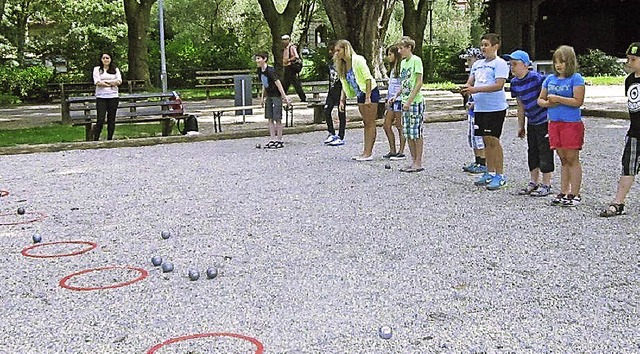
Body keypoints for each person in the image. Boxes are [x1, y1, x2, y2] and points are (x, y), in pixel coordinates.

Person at [537, 45, 585, 207]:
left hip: (571, 123)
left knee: (572, 158)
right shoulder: (549, 79)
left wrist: (558, 99)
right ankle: (564, 191)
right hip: (554, 123)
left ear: (569, 62)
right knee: (563, 159)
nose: (559, 65)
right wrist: (549, 104)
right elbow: (540, 100)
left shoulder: (576, 78)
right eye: (556, 62)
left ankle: (575, 193)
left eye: (562, 62)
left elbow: (578, 101)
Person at [461, 33, 510, 189]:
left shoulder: (500, 63)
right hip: (480, 108)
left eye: (486, 45)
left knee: (494, 140)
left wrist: (475, 89)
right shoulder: (477, 64)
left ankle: (500, 175)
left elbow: (498, 85)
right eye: (482, 45)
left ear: (495, 47)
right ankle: (489, 172)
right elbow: (471, 81)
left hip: (495, 108)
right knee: (485, 141)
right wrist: (466, 89)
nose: (483, 48)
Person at [599, 42, 640, 216]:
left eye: (634, 59)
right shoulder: (629, 80)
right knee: (628, 167)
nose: (629, 62)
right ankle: (618, 202)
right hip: (635, 132)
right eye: (628, 58)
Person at [506, 50, 554, 197]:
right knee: (532, 150)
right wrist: (520, 125)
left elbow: (550, 87)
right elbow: (520, 105)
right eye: (510, 64)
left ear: (526, 65)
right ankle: (534, 181)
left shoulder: (536, 79)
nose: (512, 67)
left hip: (544, 120)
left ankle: (547, 183)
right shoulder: (514, 83)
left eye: (515, 64)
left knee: (545, 150)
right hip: (531, 122)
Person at [333, 39, 380, 161]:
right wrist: (342, 100)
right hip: (360, 94)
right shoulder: (342, 65)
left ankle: (368, 152)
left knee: (370, 123)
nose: (336, 53)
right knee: (366, 123)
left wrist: (368, 97)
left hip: (370, 92)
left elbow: (368, 79)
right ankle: (365, 151)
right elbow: (344, 84)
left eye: (339, 50)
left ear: (345, 49)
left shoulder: (358, 60)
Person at [392, 36, 424, 172]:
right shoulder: (404, 63)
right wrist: (396, 96)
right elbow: (404, 83)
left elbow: (418, 82)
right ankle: (413, 160)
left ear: (409, 48)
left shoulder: (416, 61)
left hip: (414, 102)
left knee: (416, 132)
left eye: (401, 48)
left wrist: (410, 101)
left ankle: (419, 161)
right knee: (408, 132)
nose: (399, 51)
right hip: (404, 101)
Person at [459, 47, 487, 174]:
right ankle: (477, 160)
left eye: (470, 59)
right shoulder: (472, 75)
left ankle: (483, 162)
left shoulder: (481, 75)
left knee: (479, 137)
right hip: (471, 110)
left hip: (479, 110)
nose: (468, 62)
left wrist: (474, 103)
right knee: (473, 137)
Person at [255, 51, 291, 149]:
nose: (257, 60)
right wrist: (262, 97)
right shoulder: (259, 71)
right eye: (256, 58)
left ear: (264, 59)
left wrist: (284, 97)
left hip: (276, 95)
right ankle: (272, 139)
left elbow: (278, 83)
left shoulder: (270, 70)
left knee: (277, 118)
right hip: (269, 96)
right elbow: (264, 84)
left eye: (259, 58)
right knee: (269, 118)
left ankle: (279, 140)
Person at [382, 44, 406, 160]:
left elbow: (404, 85)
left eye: (390, 54)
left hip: (399, 100)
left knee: (399, 125)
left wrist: (397, 96)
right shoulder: (392, 69)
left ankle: (401, 151)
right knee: (386, 125)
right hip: (392, 99)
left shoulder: (401, 68)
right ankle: (392, 149)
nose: (388, 57)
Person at [322, 41, 347, 146]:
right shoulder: (330, 63)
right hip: (331, 91)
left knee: (341, 113)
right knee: (327, 110)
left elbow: (344, 81)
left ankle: (341, 135)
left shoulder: (343, 64)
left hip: (340, 91)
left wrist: (343, 96)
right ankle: (331, 132)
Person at [92, 53, 122, 141]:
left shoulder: (115, 69)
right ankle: (96, 138)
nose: (106, 60)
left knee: (111, 119)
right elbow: (97, 82)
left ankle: (109, 138)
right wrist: (111, 83)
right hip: (101, 97)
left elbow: (119, 81)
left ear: (110, 59)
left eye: (107, 58)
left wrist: (106, 82)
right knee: (100, 119)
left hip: (113, 96)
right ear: (101, 59)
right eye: (104, 58)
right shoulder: (97, 69)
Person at [281, 34, 307, 102]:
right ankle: (283, 96)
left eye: (285, 40)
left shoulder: (291, 47)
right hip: (287, 67)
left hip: (291, 67)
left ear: (288, 40)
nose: (283, 41)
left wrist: (288, 60)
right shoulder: (285, 49)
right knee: (287, 82)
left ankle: (302, 97)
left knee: (292, 83)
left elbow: (296, 56)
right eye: (283, 40)